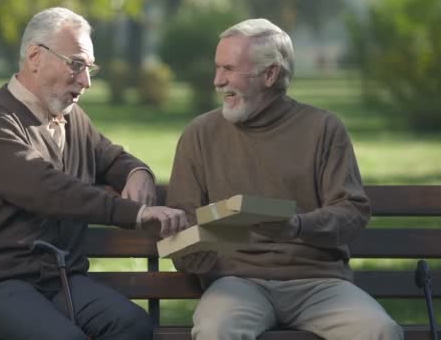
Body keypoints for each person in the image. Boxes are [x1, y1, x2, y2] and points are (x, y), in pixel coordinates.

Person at [0, 7, 187, 340]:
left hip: (60, 281)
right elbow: (46, 188)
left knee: (132, 326)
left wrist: (137, 172)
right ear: (34, 56)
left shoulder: (73, 119)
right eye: (76, 64)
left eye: (89, 68)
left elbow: (110, 156)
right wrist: (138, 214)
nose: (85, 81)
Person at [166, 18, 403, 340]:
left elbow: (351, 211)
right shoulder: (200, 134)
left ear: (270, 74)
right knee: (216, 330)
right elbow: (183, 224)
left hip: (318, 282)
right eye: (217, 68)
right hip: (237, 283)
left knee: (381, 331)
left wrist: (296, 226)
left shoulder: (323, 128)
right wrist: (187, 243)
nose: (218, 81)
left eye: (229, 69)